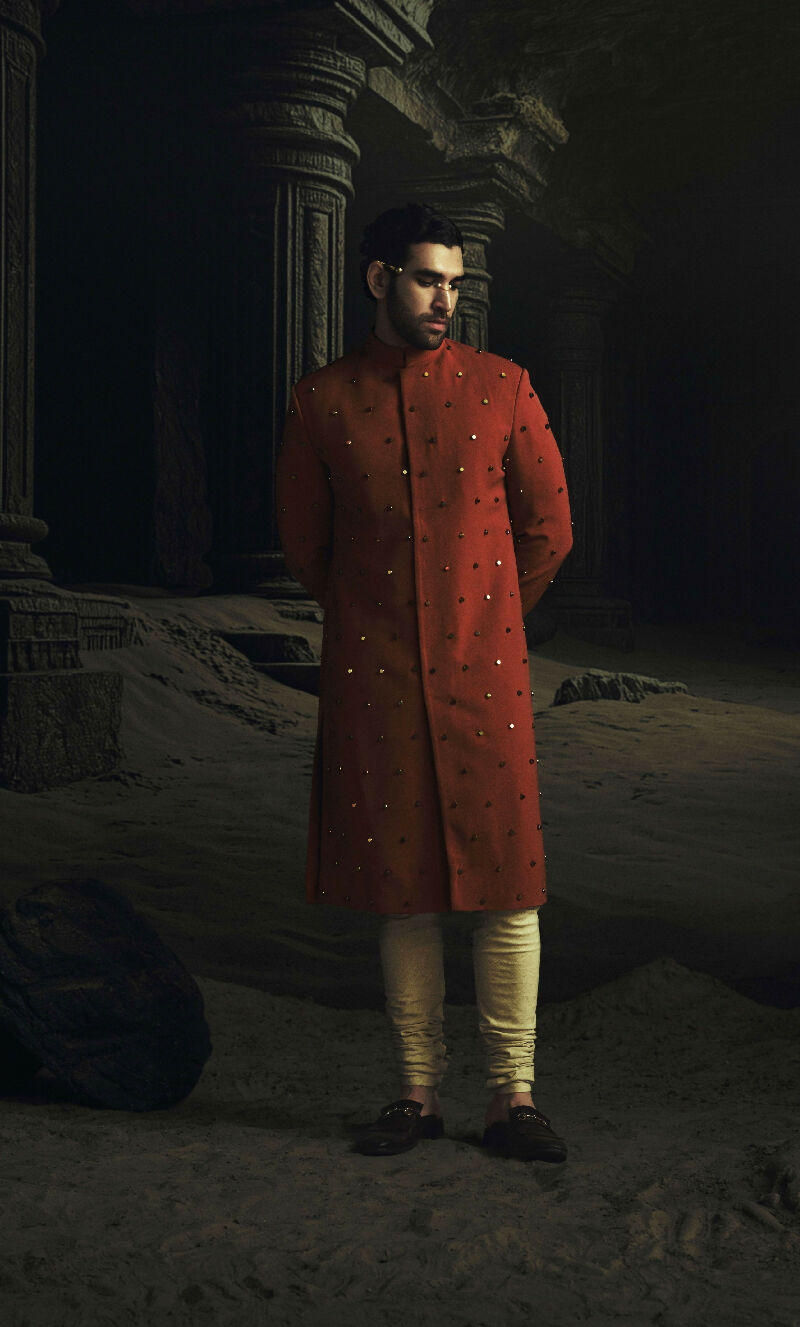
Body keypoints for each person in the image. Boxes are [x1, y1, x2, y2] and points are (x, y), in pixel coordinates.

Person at [275, 203, 573, 1162]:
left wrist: (484, 614)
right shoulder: (321, 401)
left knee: (507, 888)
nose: (445, 299)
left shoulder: (502, 387)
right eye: (425, 280)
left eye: (454, 282)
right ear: (378, 279)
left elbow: (549, 528)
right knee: (401, 887)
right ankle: (416, 1094)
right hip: (375, 676)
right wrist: (379, 617)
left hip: (488, 675)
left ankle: (512, 1097)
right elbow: (306, 545)